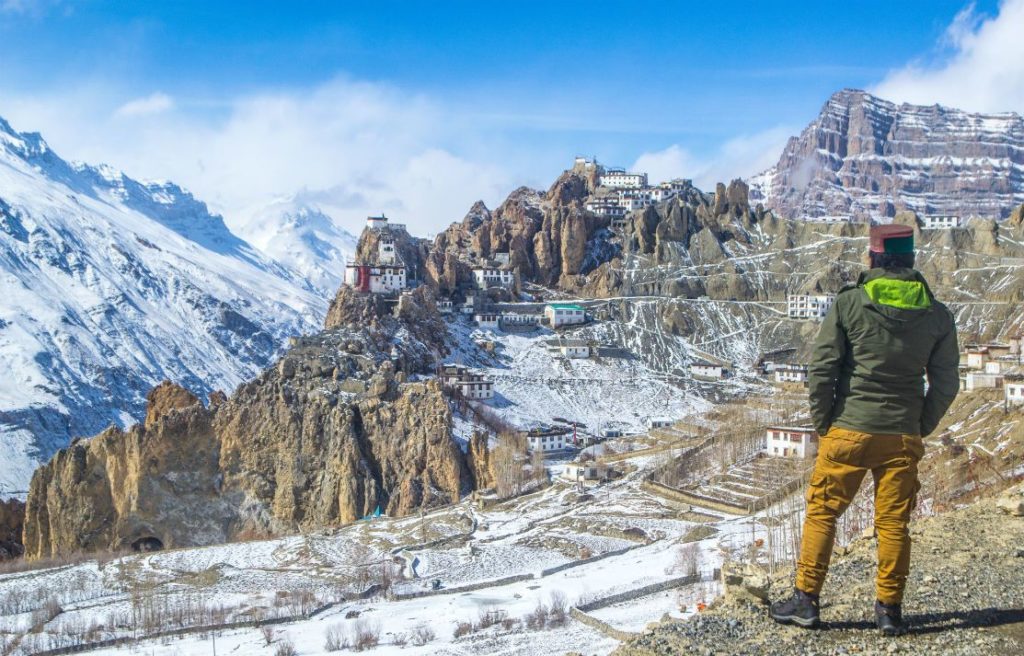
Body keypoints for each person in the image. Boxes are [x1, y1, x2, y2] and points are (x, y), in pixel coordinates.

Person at [770, 223, 959, 636]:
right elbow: (946, 383)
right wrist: (918, 426)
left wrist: (824, 424)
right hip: (902, 436)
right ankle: (889, 610)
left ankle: (806, 601)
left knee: (823, 512)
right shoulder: (938, 315)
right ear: (910, 261)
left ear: (873, 259)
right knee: (893, 524)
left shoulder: (850, 303)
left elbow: (822, 369)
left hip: (848, 432)